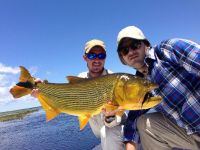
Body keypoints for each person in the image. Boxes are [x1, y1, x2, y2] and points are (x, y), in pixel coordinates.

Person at [116, 26, 200, 150]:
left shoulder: (167, 49)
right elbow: (132, 120)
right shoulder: (138, 83)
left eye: (135, 45)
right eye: (125, 50)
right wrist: (129, 146)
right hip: (190, 134)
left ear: (146, 45)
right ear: (123, 59)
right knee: (143, 123)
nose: (131, 52)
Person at [78, 39, 126, 150]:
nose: (96, 59)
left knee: (107, 132)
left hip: (119, 129)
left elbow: (115, 121)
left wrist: (110, 117)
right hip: (103, 137)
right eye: (92, 56)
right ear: (85, 58)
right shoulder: (80, 79)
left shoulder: (115, 79)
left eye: (101, 56)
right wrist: (41, 89)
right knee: (105, 134)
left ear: (105, 58)